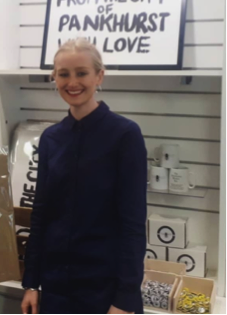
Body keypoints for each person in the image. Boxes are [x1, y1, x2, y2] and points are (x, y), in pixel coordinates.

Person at [21, 39, 146, 315]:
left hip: (106, 291)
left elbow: (133, 224)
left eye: (81, 73)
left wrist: (125, 298)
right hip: (56, 290)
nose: (72, 82)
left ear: (99, 76)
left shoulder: (125, 135)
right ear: (54, 77)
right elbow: (41, 215)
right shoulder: (51, 139)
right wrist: (31, 283)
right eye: (63, 74)